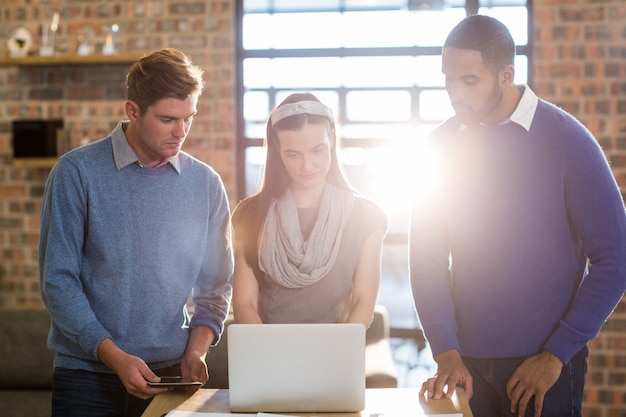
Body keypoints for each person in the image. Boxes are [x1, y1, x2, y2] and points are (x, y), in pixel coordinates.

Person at [409, 15, 626, 417]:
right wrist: (445, 352)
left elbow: (615, 259)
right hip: (464, 369)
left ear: (506, 74)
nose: (454, 93)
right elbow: (426, 258)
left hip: (542, 371)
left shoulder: (568, 142)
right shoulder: (438, 147)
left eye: (469, 81)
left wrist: (556, 354)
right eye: (448, 79)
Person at [39, 48, 234, 417]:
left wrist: (196, 351)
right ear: (133, 111)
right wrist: (115, 357)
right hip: (86, 378)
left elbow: (216, 286)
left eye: (188, 118)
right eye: (167, 119)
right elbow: (58, 283)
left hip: (170, 378)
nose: (181, 132)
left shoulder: (206, 184)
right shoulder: (75, 174)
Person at [231, 92, 387, 327]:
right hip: (268, 354)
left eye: (317, 151)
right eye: (293, 154)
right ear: (276, 148)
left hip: (336, 353)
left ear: (332, 141)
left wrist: (332, 353)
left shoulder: (367, 217)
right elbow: (244, 303)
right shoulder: (250, 214)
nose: (307, 166)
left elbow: (362, 303)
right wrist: (269, 355)